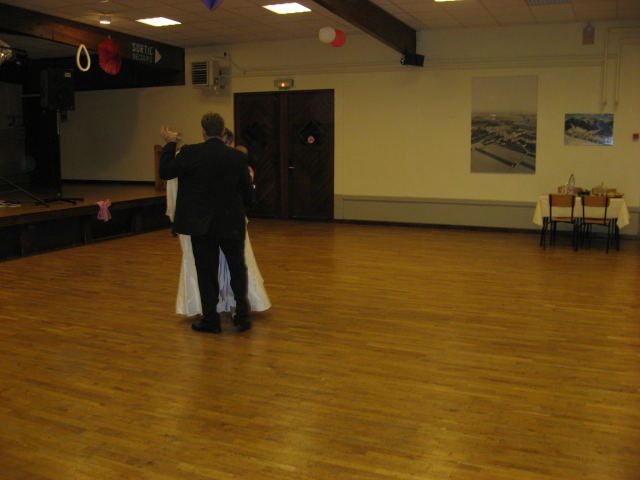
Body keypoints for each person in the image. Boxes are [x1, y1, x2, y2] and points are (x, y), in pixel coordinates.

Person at [159, 113, 254, 333]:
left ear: (203, 132)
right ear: (222, 132)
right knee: (237, 269)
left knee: (206, 272)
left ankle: (211, 320)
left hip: (201, 224)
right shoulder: (236, 157)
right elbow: (248, 195)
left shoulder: (191, 153)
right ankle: (242, 317)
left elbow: (165, 171)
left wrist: (170, 143)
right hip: (231, 222)